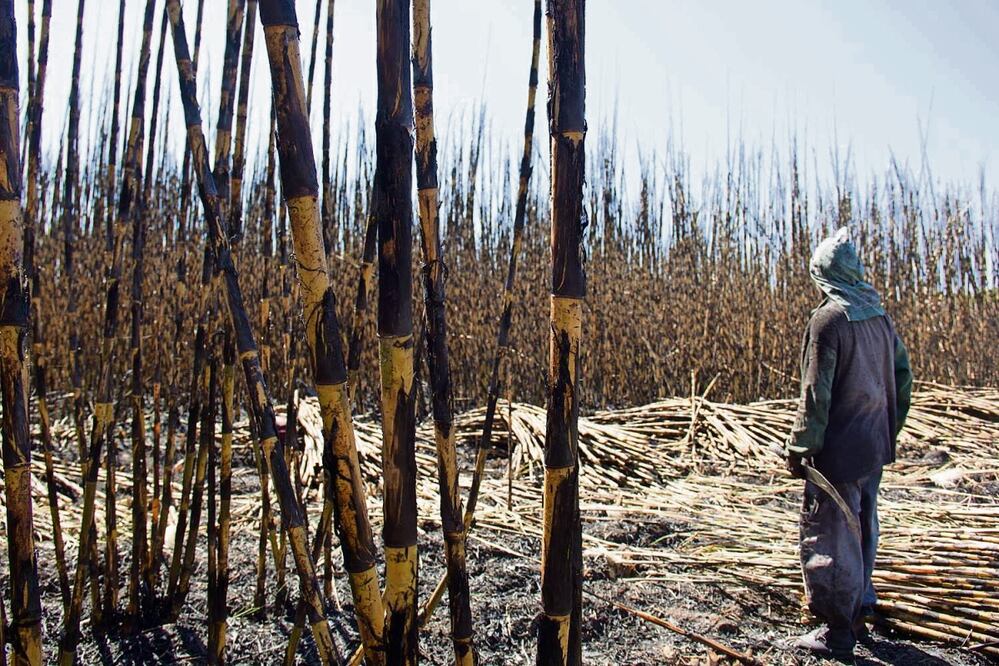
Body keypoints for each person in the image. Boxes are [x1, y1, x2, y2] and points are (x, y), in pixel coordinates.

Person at [784, 227, 912, 661]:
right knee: (865, 521)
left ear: (825, 274)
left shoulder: (828, 321)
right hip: (873, 444)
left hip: (838, 450)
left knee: (832, 533)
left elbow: (815, 394)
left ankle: (838, 630)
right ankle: (863, 601)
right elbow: (903, 379)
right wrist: (888, 429)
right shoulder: (878, 317)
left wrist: (801, 446)